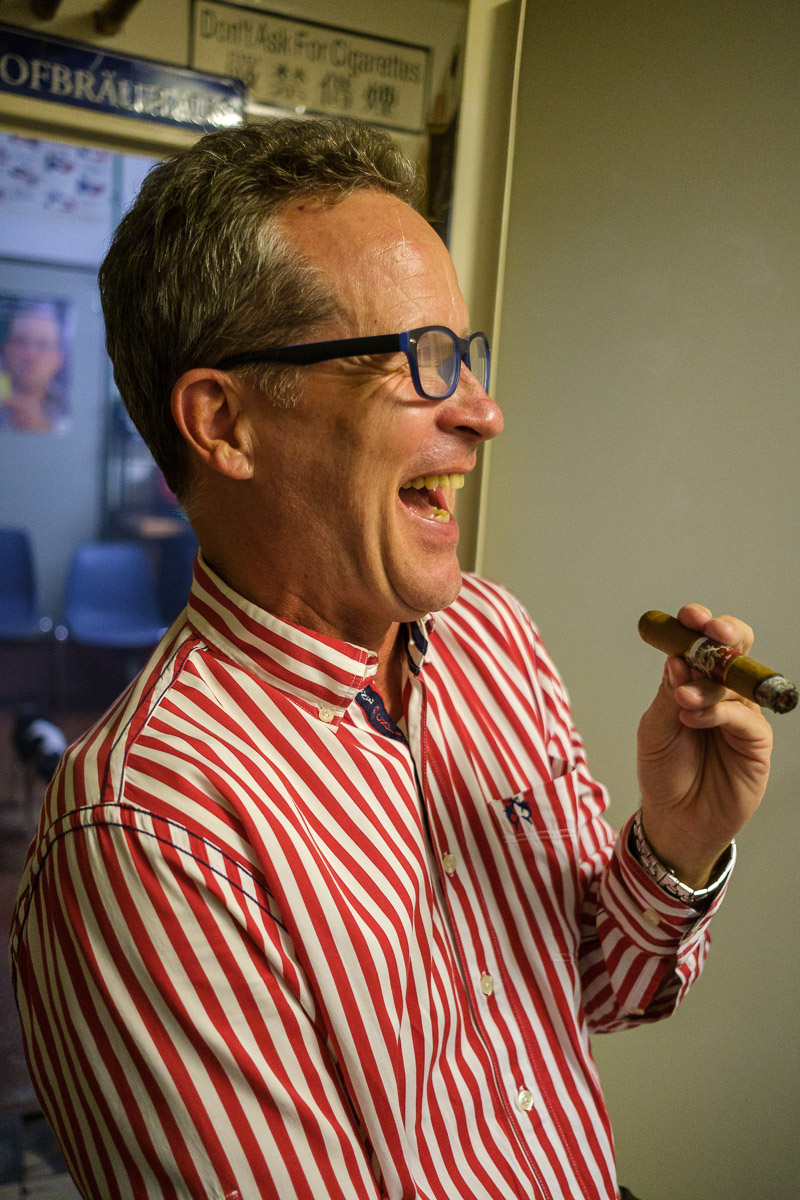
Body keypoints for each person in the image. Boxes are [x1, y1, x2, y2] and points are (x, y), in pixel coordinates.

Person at [10, 120, 772, 1200]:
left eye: (465, 355)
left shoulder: (489, 637)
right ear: (224, 422)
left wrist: (678, 845)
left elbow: (596, 989)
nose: (485, 412)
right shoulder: (146, 833)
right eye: (418, 360)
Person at [0, 301, 69, 433]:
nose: (30, 354)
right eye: (20, 341)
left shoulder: (69, 409)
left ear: (58, 359)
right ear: (5, 351)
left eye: (42, 345)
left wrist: (44, 429)